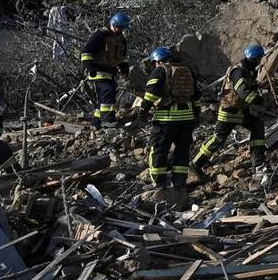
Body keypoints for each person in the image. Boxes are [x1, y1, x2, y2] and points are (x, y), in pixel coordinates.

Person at [191, 43, 267, 177]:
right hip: (229, 112)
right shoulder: (239, 72)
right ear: (255, 58)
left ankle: (258, 163)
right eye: (260, 58)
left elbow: (249, 89)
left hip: (241, 112)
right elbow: (242, 91)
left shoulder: (248, 71)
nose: (260, 61)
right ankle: (196, 163)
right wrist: (258, 100)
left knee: (258, 126)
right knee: (218, 140)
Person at [140, 46, 199, 188]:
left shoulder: (161, 70)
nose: (154, 65)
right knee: (182, 151)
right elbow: (196, 95)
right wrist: (195, 115)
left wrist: (143, 110)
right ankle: (179, 182)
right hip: (187, 119)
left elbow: (151, 93)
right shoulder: (187, 70)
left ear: (159, 60)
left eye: (154, 62)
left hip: (166, 119)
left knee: (159, 150)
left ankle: (159, 183)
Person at [81, 12, 131, 127]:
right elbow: (86, 52)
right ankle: (107, 121)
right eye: (119, 27)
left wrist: (124, 68)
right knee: (108, 92)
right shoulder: (100, 35)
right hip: (98, 71)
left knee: (103, 99)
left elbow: (123, 56)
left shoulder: (121, 39)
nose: (120, 30)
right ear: (113, 24)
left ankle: (96, 122)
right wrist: (90, 67)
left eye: (123, 28)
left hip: (111, 72)